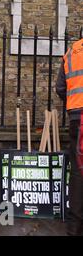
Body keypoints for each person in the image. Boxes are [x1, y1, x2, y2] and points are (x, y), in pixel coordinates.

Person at [56, 37, 83, 236]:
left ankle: (75, 228)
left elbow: (60, 88)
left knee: (78, 172)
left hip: (77, 117)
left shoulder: (72, 52)